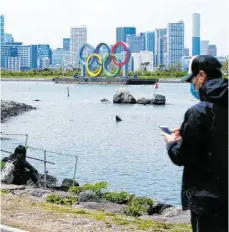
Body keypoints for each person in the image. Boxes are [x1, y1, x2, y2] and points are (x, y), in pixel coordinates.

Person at [162, 55, 228, 232]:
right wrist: (186, 132)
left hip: (206, 198)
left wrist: (171, 142)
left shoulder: (198, 112)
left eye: (192, 79)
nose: (192, 85)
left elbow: (182, 156)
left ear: (201, 75)